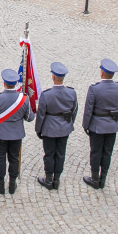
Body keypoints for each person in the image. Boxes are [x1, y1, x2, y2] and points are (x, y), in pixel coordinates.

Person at [81, 59, 118, 190]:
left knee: (95, 152)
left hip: (97, 125)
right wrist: (117, 122)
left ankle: (95, 178)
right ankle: (103, 177)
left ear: (102, 73)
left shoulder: (95, 89)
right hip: (112, 126)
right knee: (107, 152)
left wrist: (86, 125)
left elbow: (88, 109)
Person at [0, 69, 31, 195]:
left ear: (4, 83)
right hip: (16, 135)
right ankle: (12, 183)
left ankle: (0, 184)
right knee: (14, 158)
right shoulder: (24, 99)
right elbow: (30, 117)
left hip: (0, 134)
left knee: (0, 158)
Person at [34, 62, 77, 191]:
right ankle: (56, 179)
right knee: (60, 154)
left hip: (49, 128)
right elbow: (74, 110)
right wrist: (69, 123)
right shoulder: (71, 93)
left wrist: (38, 129)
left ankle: (48, 178)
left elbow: (41, 115)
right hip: (64, 128)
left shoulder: (46, 95)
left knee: (49, 154)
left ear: (53, 77)